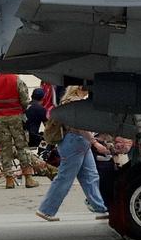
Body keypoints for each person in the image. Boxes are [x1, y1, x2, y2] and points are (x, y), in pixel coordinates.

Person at [36, 86, 107, 221]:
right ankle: (46, 209)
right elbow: (79, 126)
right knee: (67, 177)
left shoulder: (67, 102)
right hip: (76, 141)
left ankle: (100, 208)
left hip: (76, 142)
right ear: (81, 88)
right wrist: (94, 142)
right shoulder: (76, 103)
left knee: (90, 175)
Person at [0, 71, 49, 189]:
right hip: (16, 117)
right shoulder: (16, 80)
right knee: (22, 147)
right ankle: (28, 178)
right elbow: (25, 101)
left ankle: (9, 180)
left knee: (5, 149)